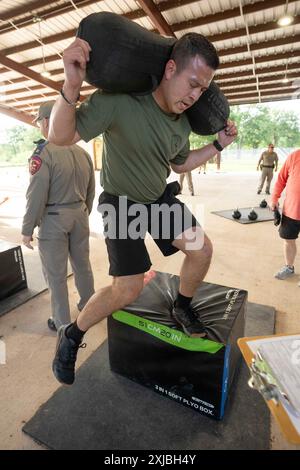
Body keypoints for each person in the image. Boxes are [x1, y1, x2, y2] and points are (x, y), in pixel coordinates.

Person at [48, 32, 237, 385]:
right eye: (192, 83)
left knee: (202, 249)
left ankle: (182, 304)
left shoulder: (181, 125)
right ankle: (72, 333)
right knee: (128, 289)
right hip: (122, 203)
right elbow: (60, 137)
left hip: (158, 199)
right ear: (170, 69)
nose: (194, 95)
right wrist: (70, 85)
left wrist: (217, 145)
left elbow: (180, 165)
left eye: (202, 90)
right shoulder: (119, 102)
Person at [21, 101, 95, 332]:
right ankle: (89, 307)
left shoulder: (43, 154)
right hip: (80, 214)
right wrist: (83, 212)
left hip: (54, 218)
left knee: (56, 273)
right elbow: (91, 190)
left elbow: (36, 194)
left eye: (39, 123)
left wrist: (27, 228)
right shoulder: (82, 152)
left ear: (45, 122)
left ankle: (62, 322)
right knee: (83, 265)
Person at [270, 149, 300, 283]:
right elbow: (281, 180)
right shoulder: (294, 156)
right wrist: (274, 199)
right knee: (288, 240)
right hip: (291, 210)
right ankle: (289, 267)